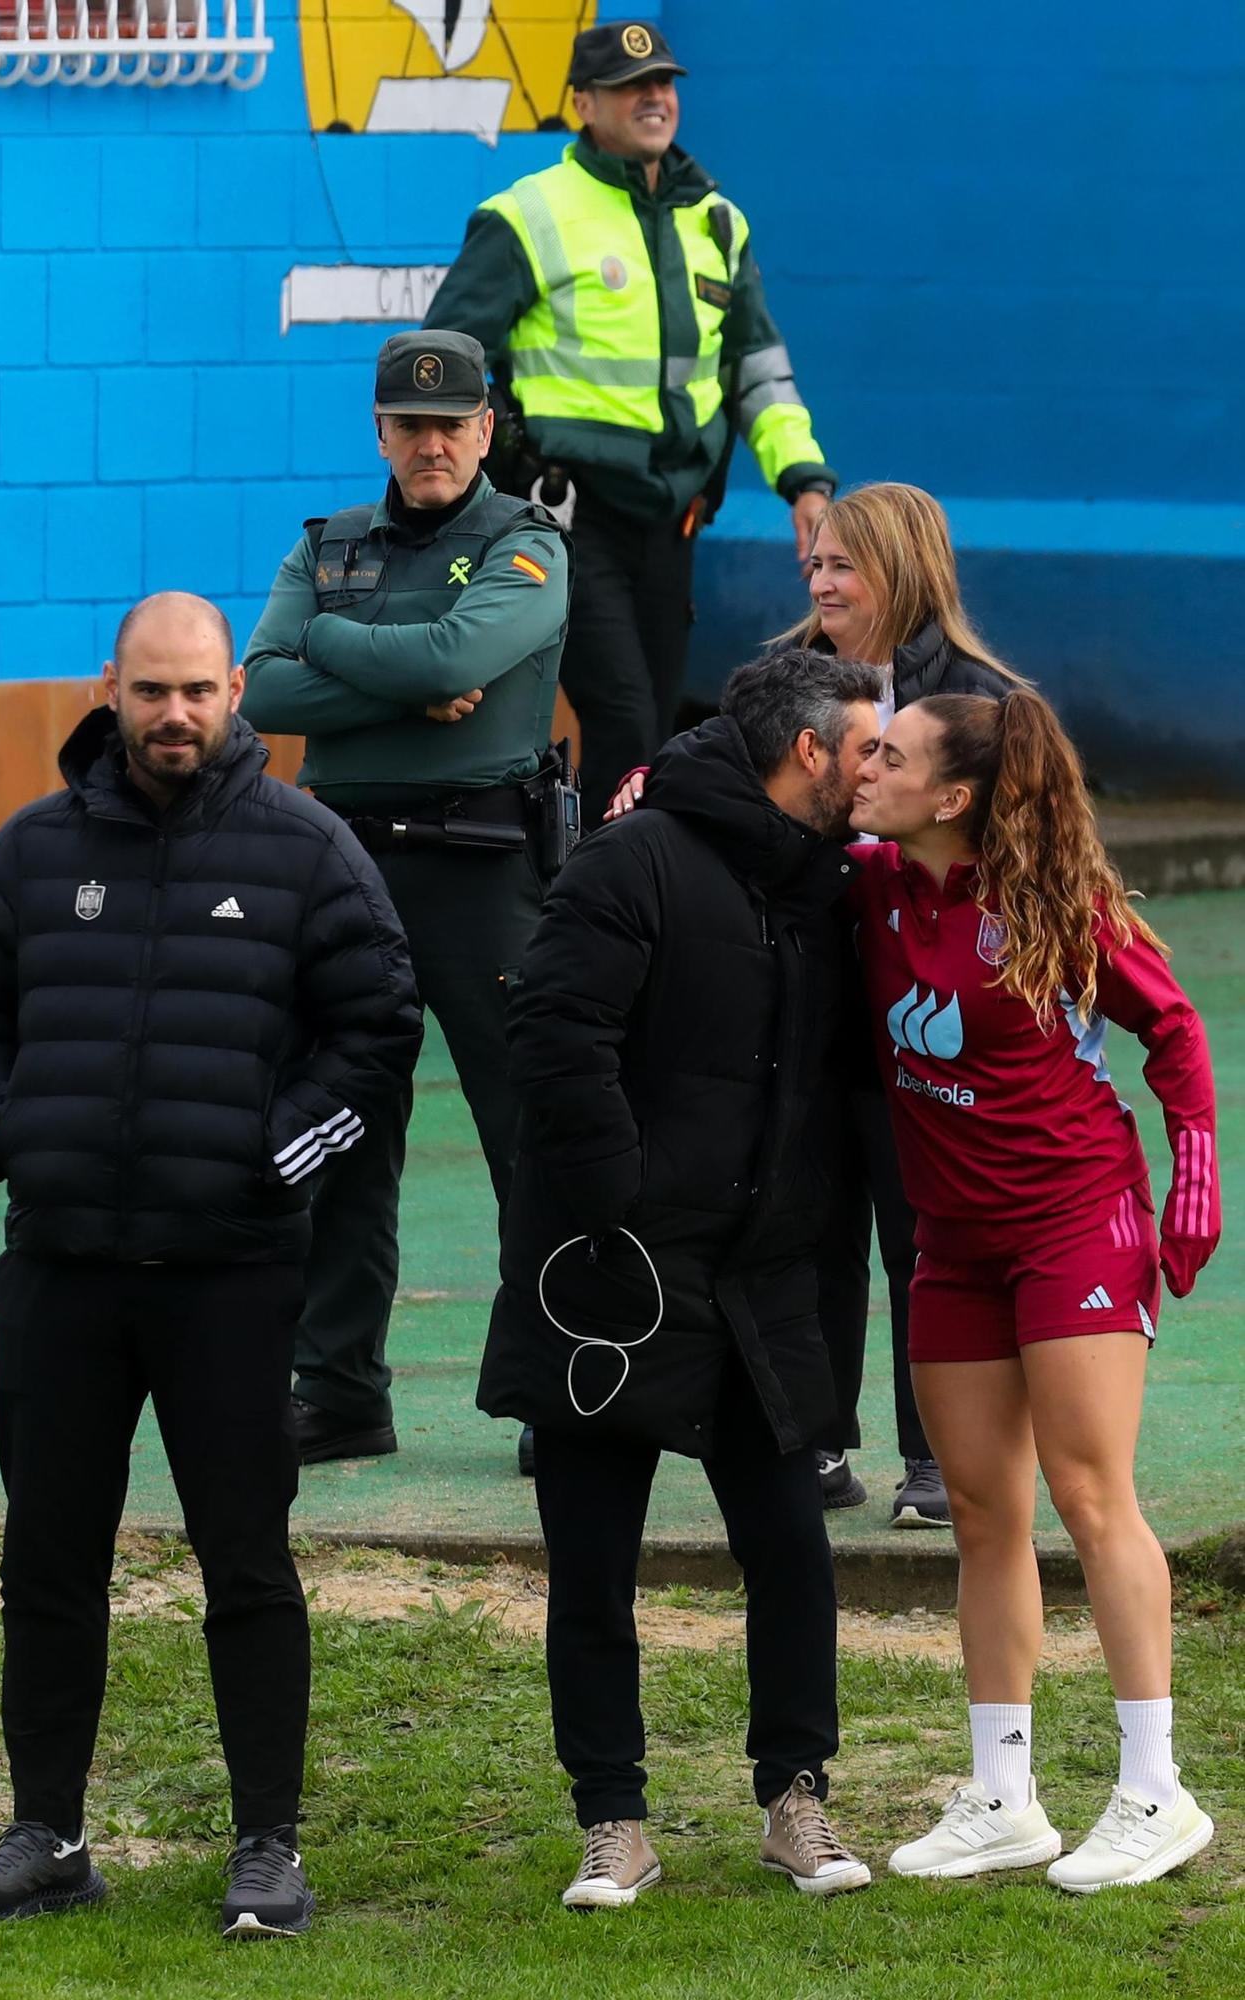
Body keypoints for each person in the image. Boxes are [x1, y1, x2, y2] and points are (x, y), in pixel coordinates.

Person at [0, 593, 421, 1935]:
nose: (176, 716)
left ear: (232, 693)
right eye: (152, 692)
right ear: (111, 689)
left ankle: (268, 1848)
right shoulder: (32, 852)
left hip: (230, 1280)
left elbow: (375, 1030)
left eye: (200, 691)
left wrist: (275, 1162)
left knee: (245, 1563)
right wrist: (9, 1138)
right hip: (63, 1274)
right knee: (48, 1562)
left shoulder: (306, 851)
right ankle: (48, 1834)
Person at [478, 644, 882, 1908]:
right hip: (613, 1278)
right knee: (591, 1560)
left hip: (760, 1278)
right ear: (805, 750)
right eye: (866, 747)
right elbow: (553, 1034)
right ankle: (613, 1819)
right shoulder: (632, 855)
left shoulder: (828, 880)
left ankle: (794, 1799)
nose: (879, 768)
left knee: (791, 1546)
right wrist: (615, 1204)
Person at [846, 688, 1219, 1890]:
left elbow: (1175, 1034)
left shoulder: (1056, 905)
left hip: (1075, 1222)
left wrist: (1192, 1181)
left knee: (1086, 1491)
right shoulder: (868, 879)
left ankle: (1154, 1790)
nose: (865, 763)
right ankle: (1002, 1795)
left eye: (889, 754)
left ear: (950, 796)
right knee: (976, 1507)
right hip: (950, 1242)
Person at [609, 481, 1025, 1525]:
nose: (819, 578)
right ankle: (816, 1439)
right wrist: (652, 778)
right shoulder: (782, 677)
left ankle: (932, 1458)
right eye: (816, 562)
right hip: (804, 988)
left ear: (900, 567)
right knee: (812, 1224)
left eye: (841, 563)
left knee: (921, 1227)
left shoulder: (980, 700)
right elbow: (708, 761)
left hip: (922, 1004)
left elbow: (1025, 850)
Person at [241, 330, 570, 1476]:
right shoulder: (326, 546)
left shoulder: (527, 543)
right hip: (341, 869)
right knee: (339, 1133)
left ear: (486, 429)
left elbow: (448, 665)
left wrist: (338, 654)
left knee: (525, 1136)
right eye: (407, 424)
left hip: (483, 872)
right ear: (379, 431)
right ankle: (337, 1392)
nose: (430, 443)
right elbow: (263, 685)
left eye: (452, 423)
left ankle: (553, 1384)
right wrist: (382, 655)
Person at [424, 18, 836, 815]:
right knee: (622, 721)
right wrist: (502, 465)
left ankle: (620, 894)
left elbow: (758, 368)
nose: (654, 97)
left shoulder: (717, 221)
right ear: (583, 102)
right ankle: (606, 909)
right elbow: (447, 358)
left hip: (673, 520)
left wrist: (804, 482)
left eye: (664, 83)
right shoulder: (526, 215)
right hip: (569, 519)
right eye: (629, 85)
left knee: (653, 728)